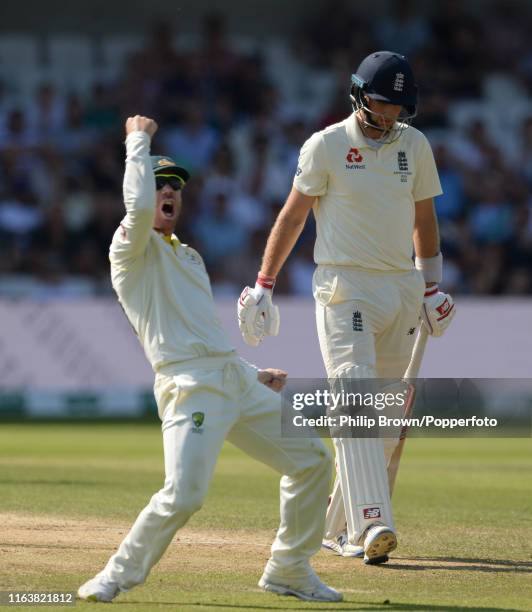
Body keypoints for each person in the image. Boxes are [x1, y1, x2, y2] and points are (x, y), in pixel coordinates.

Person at [77, 115, 342, 603]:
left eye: (176, 186)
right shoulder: (129, 251)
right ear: (141, 191)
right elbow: (136, 209)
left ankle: (288, 568)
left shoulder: (189, 257)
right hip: (190, 386)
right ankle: (115, 575)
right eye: (160, 185)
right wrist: (138, 141)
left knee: (312, 461)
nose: (170, 192)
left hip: (232, 380)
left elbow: (205, 337)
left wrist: (251, 372)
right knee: (185, 495)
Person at [238, 52, 455, 563]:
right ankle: (374, 522)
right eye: (382, 104)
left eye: (399, 107)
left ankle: (336, 526)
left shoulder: (415, 145)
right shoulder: (327, 145)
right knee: (354, 396)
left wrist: (432, 286)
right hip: (345, 286)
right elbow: (293, 218)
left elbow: (424, 218)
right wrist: (264, 283)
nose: (390, 116)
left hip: (401, 287)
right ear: (358, 95)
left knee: (384, 418)